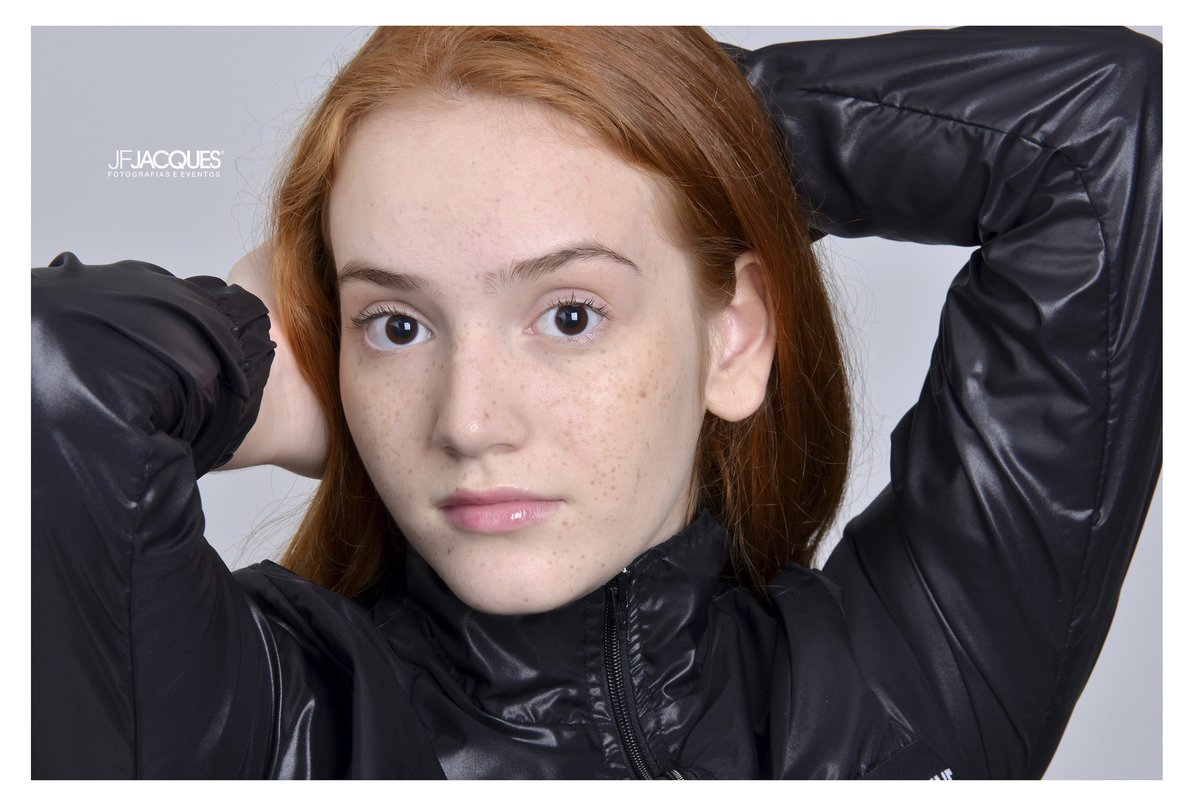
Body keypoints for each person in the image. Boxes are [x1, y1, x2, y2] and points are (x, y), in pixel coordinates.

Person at [31, 26, 1161, 779]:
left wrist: (679, 125)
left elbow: (1099, 133)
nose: (469, 421)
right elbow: (52, 364)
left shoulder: (911, 691)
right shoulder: (275, 725)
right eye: (398, 325)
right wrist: (248, 349)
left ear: (735, 337)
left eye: (569, 314)